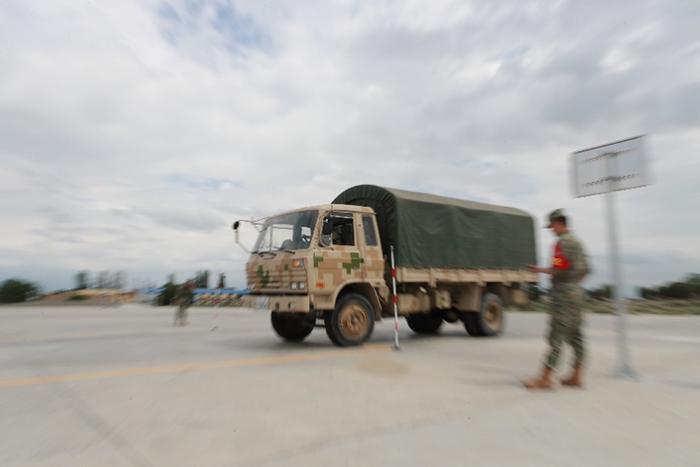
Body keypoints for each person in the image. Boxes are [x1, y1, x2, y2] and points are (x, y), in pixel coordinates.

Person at [523, 209, 590, 389]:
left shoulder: (561, 243)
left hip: (563, 295)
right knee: (576, 335)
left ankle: (545, 378)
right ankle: (577, 376)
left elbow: (559, 268)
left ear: (559, 223)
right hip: (577, 293)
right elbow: (586, 270)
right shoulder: (579, 243)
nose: (551, 229)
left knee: (556, 336)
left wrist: (540, 270)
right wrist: (574, 284)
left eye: (551, 226)